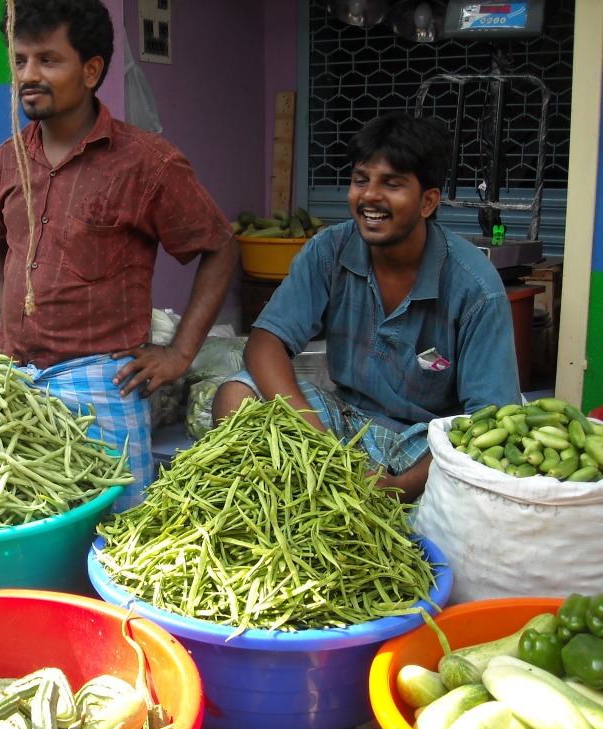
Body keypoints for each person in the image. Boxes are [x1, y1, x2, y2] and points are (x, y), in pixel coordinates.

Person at [0, 0, 239, 510]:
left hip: (102, 382)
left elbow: (219, 247)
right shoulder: (6, 159)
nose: (29, 75)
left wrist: (180, 353)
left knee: (114, 535)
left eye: (48, 60)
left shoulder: (147, 162)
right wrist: (7, 334)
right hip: (14, 383)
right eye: (20, 59)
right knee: (27, 525)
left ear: (91, 69)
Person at [212, 112, 521, 503]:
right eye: (361, 180)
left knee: (470, 489)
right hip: (343, 420)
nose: (370, 196)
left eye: (391, 184)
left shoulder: (475, 288)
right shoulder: (331, 249)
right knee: (236, 397)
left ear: (428, 201)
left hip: (424, 442)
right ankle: (272, 515)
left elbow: (486, 424)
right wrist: (317, 441)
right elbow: (265, 341)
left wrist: (394, 489)